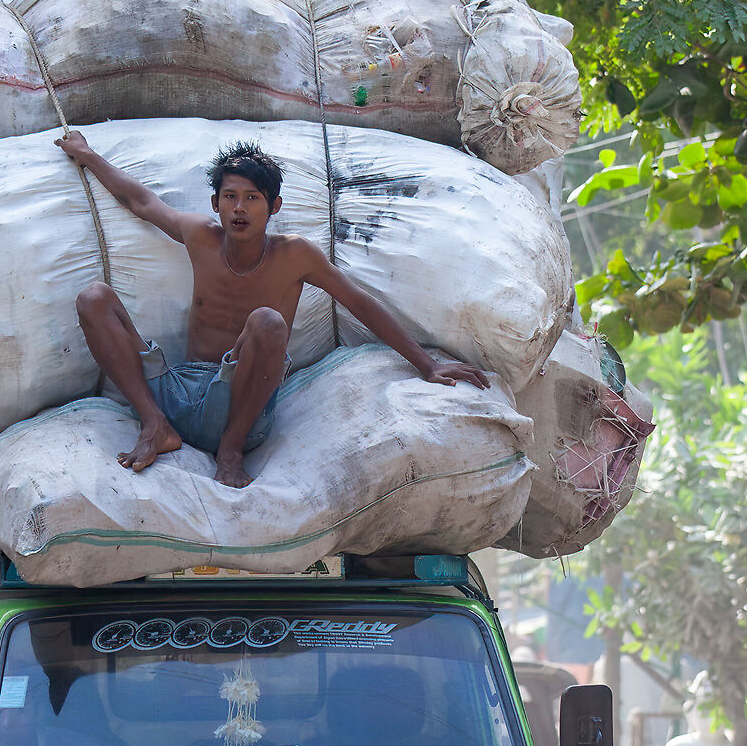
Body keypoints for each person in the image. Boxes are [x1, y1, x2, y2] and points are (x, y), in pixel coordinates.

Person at [60, 133, 489, 489]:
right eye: (230, 197)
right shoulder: (200, 236)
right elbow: (140, 201)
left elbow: (360, 302)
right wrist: (88, 155)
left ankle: (229, 451)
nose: (240, 209)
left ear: (275, 206)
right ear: (216, 204)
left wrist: (427, 365)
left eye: (252, 198)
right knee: (93, 298)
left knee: (267, 321)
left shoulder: (295, 255)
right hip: (178, 392)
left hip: (242, 409)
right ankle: (154, 426)